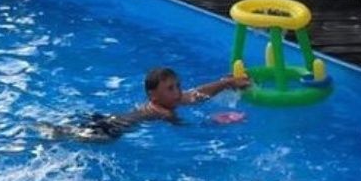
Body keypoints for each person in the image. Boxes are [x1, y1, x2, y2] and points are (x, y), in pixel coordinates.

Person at [43, 65, 249, 141]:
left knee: (76, 128)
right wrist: (214, 122)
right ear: (153, 96)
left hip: (112, 118)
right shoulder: (164, 112)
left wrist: (226, 83)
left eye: (178, 86)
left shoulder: (169, 100)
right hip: (114, 128)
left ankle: (59, 131)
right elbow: (188, 129)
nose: (178, 92)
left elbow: (196, 94)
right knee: (80, 137)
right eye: (170, 88)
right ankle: (59, 134)